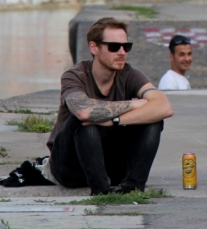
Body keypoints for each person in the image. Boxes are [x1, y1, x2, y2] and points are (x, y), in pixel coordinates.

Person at [49, 17, 174, 195]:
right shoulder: (74, 76)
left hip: (112, 165)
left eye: (126, 46)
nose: (122, 52)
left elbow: (164, 107)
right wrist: (131, 104)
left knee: (153, 120)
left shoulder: (130, 75)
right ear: (94, 48)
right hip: (70, 167)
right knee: (85, 121)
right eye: (114, 47)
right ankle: (100, 192)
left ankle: (133, 187)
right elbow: (83, 111)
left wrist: (113, 120)